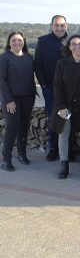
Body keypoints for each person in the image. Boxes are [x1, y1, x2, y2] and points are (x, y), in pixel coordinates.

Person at [49, 35, 80, 179]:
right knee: (63, 134)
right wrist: (61, 107)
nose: (77, 46)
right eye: (73, 44)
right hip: (65, 106)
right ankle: (64, 165)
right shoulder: (61, 64)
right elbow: (57, 87)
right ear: (69, 47)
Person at [0, 32, 37, 171]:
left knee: (23, 126)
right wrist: (8, 100)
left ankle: (22, 154)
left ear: (24, 41)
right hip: (11, 99)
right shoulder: (4, 58)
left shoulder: (28, 57)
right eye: (13, 40)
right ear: (9, 42)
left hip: (28, 97)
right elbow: (1, 81)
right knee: (12, 127)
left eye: (19, 40)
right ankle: (7, 159)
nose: (17, 43)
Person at [34, 14, 68, 161]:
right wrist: (43, 85)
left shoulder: (72, 41)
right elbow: (38, 65)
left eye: (62, 25)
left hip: (69, 89)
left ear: (66, 26)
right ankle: (53, 148)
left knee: (68, 119)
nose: (59, 28)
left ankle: (68, 150)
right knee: (53, 118)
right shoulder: (43, 41)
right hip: (50, 89)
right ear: (51, 26)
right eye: (56, 25)